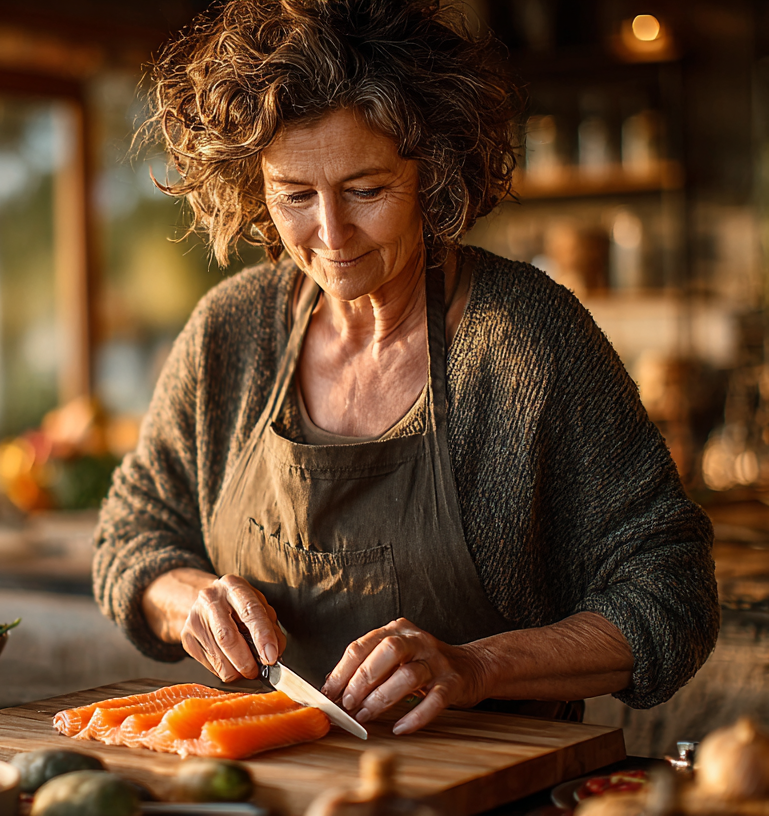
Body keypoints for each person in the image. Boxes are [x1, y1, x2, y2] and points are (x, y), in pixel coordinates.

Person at [92, 0, 717, 735]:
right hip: (271, 785)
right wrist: (186, 598)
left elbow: (671, 590)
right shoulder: (230, 333)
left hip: (491, 788)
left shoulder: (526, 342)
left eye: (366, 190)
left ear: (434, 170)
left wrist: (478, 666)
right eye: (295, 195)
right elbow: (131, 535)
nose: (331, 235)